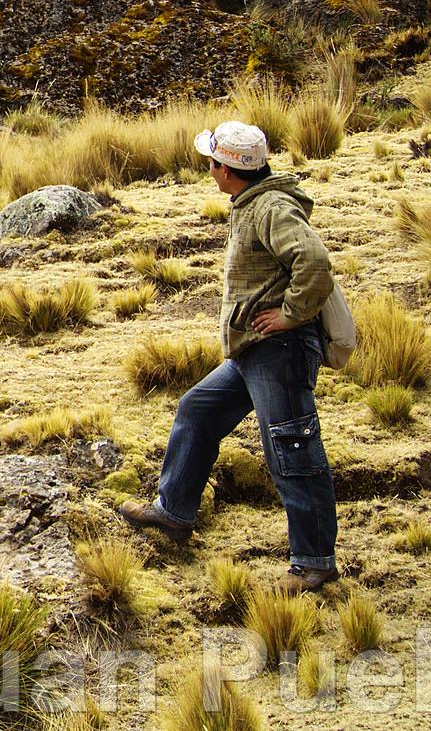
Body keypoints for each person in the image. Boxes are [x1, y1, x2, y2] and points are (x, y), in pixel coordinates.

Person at [117, 120, 339, 594]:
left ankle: (314, 563)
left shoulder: (272, 208)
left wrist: (289, 315)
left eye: (212, 162)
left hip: (278, 351)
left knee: (291, 450)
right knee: (198, 410)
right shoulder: (251, 202)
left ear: (227, 169)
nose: (209, 169)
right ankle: (174, 511)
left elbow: (314, 263)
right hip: (251, 351)